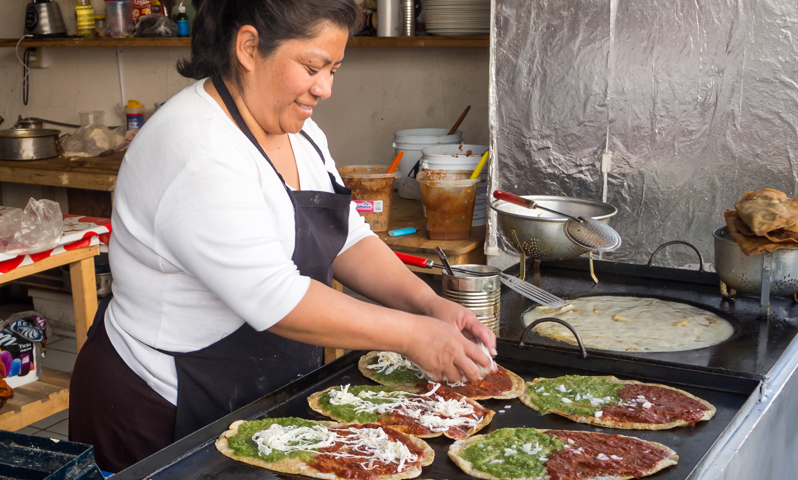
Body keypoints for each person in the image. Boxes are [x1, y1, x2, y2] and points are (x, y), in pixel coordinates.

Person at [68, 0, 495, 472]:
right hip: (160, 411)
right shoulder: (198, 147)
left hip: (256, 398)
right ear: (249, 47)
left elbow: (347, 237)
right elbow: (275, 298)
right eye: (313, 67)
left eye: (334, 69)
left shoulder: (301, 133)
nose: (326, 88)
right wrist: (412, 335)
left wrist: (428, 304)